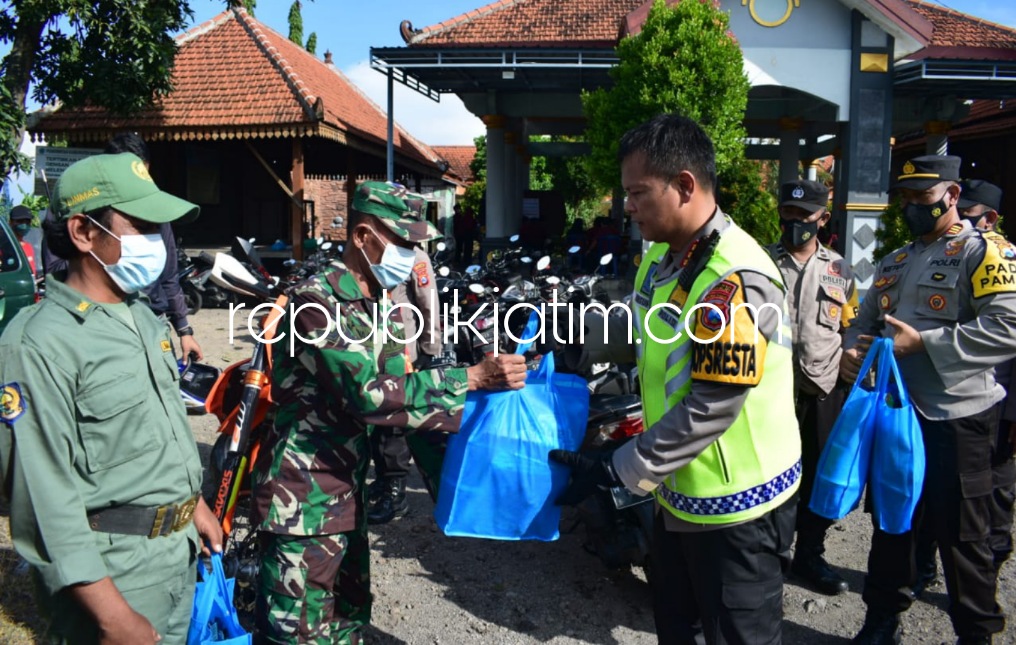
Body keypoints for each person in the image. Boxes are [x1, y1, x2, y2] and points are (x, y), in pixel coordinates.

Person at [552, 114, 801, 644]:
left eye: (637, 193)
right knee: (675, 627)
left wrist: (618, 467)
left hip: (738, 507)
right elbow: (642, 333)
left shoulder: (734, 278)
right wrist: (563, 340)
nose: (627, 206)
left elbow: (712, 405)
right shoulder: (662, 259)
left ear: (685, 185)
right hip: (675, 491)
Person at [251, 181, 527, 644]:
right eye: (403, 242)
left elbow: (404, 397)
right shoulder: (314, 303)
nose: (413, 255)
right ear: (363, 236)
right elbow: (368, 396)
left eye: (416, 245)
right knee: (300, 632)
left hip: (346, 491)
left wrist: (453, 482)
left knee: (348, 616)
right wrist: (471, 379)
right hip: (302, 499)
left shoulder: (379, 302)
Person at [0, 152, 223, 644]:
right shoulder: (39, 343)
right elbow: (42, 495)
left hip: (177, 555)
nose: (157, 240)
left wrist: (194, 506)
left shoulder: (142, 316)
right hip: (114, 576)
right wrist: (112, 615)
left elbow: (158, 432)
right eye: (141, 225)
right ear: (83, 232)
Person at [842, 156, 1016, 645]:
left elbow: (1008, 327)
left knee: (964, 534)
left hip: (958, 416)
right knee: (893, 523)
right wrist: (852, 350)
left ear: (952, 195)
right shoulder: (895, 261)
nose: (912, 207)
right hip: (898, 415)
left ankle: (976, 633)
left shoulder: (984, 252)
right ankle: (882, 620)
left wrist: (925, 344)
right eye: (907, 198)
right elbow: (863, 322)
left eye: (923, 197)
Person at [911, 178, 1016, 599]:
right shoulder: (912, 257)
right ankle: (917, 575)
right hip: (921, 405)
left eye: (971, 214)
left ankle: (979, 604)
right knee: (912, 510)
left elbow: (1007, 329)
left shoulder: (995, 256)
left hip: (983, 408)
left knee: (980, 515)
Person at [767, 179, 858, 596]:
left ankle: (810, 554)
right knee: (772, 474)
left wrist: (852, 354)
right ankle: (772, 554)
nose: (795, 221)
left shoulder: (840, 269)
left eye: (805, 215)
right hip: (771, 390)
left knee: (819, 475)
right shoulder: (762, 263)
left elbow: (851, 325)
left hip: (822, 388)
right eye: (788, 213)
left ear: (822, 218)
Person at [43, 133, 204, 362]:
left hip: (153, 316)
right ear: (82, 231)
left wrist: (184, 329)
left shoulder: (149, 324)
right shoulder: (48, 345)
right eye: (139, 226)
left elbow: (169, 277)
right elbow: (56, 268)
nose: (150, 239)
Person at [367, 244, 444, 524]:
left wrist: (429, 349)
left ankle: (396, 495)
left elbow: (428, 303)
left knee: (395, 425)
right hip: (373, 349)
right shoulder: (372, 249)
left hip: (402, 352)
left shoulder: (415, 256)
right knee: (376, 420)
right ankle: (383, 481)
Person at [9, 205, 37, 276]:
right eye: (20, 221)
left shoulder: (28, 247)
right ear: (10, 222)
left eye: (27, 221)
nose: (24, 225)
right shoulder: (4, 247)